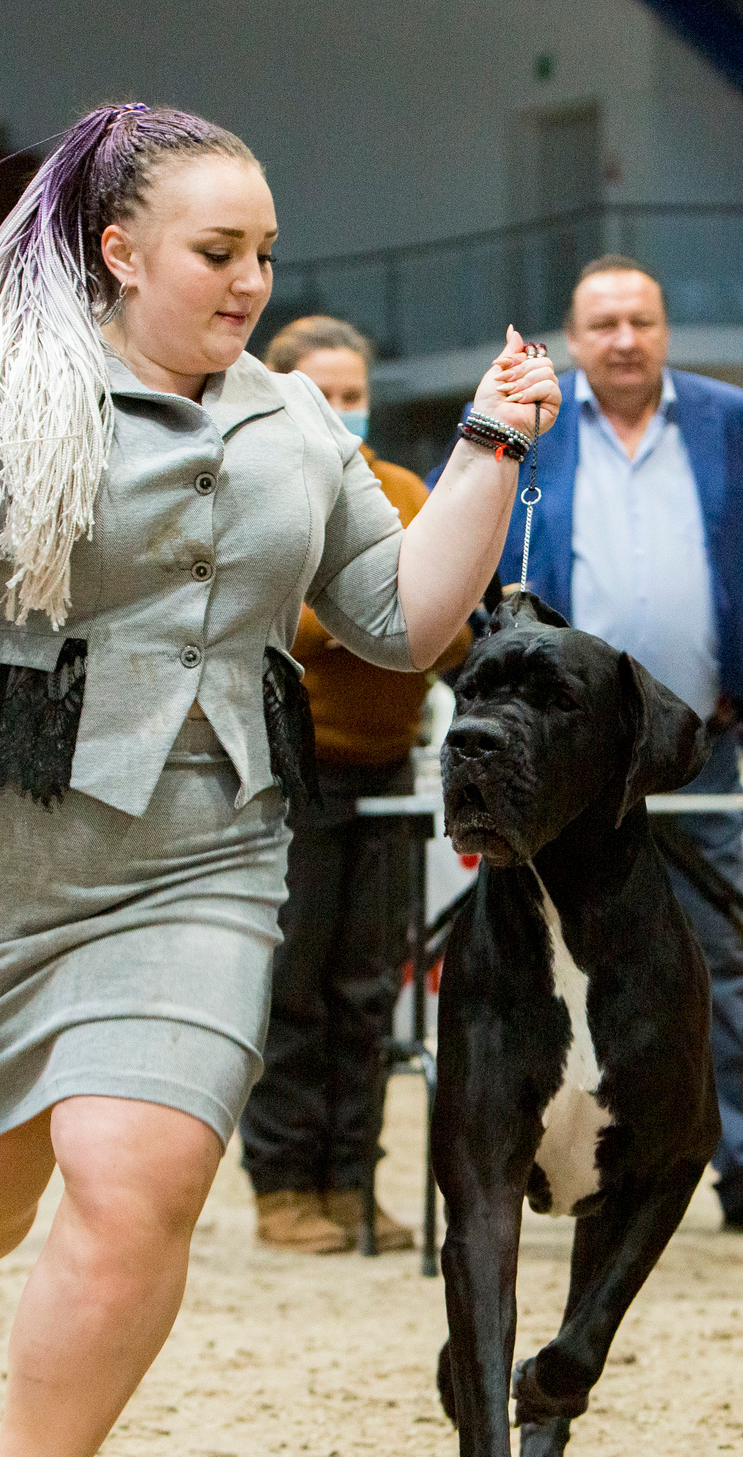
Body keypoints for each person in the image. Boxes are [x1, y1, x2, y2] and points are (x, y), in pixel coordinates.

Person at [0, 103, 557, 1457]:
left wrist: (488, 445)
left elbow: (399, 615)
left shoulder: (297, 418)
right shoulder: (8, 394)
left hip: (206, 841)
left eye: (265, 255)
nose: (248, 280)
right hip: (0, 840)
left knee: (140, 1172)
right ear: (120, 250)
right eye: (218, 252)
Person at [472, 254, 743, 1239]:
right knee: (533, 970)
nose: (624, 340)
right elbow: (453, 540)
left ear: (664, 329)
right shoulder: (532, 431)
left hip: (700, 752)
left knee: (718, 964)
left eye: (641, 320)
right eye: (603, 324)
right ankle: (534, 1176)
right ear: (574, 337)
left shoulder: (737, 423)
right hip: (557, 772)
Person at [239, 315, 468, 1255]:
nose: (340, 408)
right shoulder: (260, 486)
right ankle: (283, 1185)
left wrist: (419, 613)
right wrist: (366, 603)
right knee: (293, 985)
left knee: (370, 990)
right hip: (293, 775)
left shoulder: (408, 489)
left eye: (351, 391)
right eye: (320, 392)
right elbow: (268, 630)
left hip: (389, 772)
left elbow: (444, 622)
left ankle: (353, 1181)